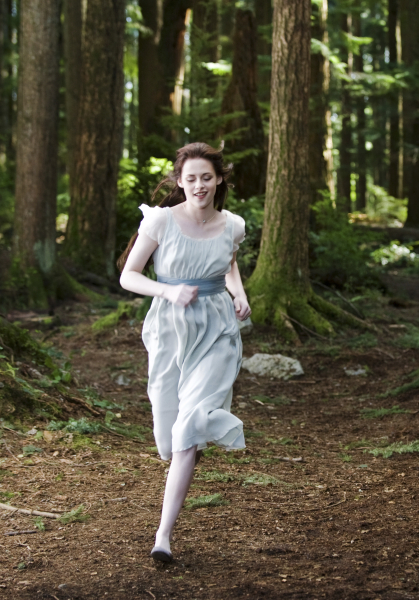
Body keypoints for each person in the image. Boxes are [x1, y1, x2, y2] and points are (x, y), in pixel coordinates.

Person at [117, 142, 251, 562]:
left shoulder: (233, 225)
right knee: (168, 434)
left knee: (188, 430)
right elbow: (128, 276)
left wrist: (239, 293)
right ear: (180, 180)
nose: (199, 185)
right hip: (170, 328)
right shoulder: (161, 221)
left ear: (219, 179)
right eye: (191, 178)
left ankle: (163, 536)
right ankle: (191, 442)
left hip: (217, 329)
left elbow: (229, 263)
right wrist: (168, 291)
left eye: (207, 177)